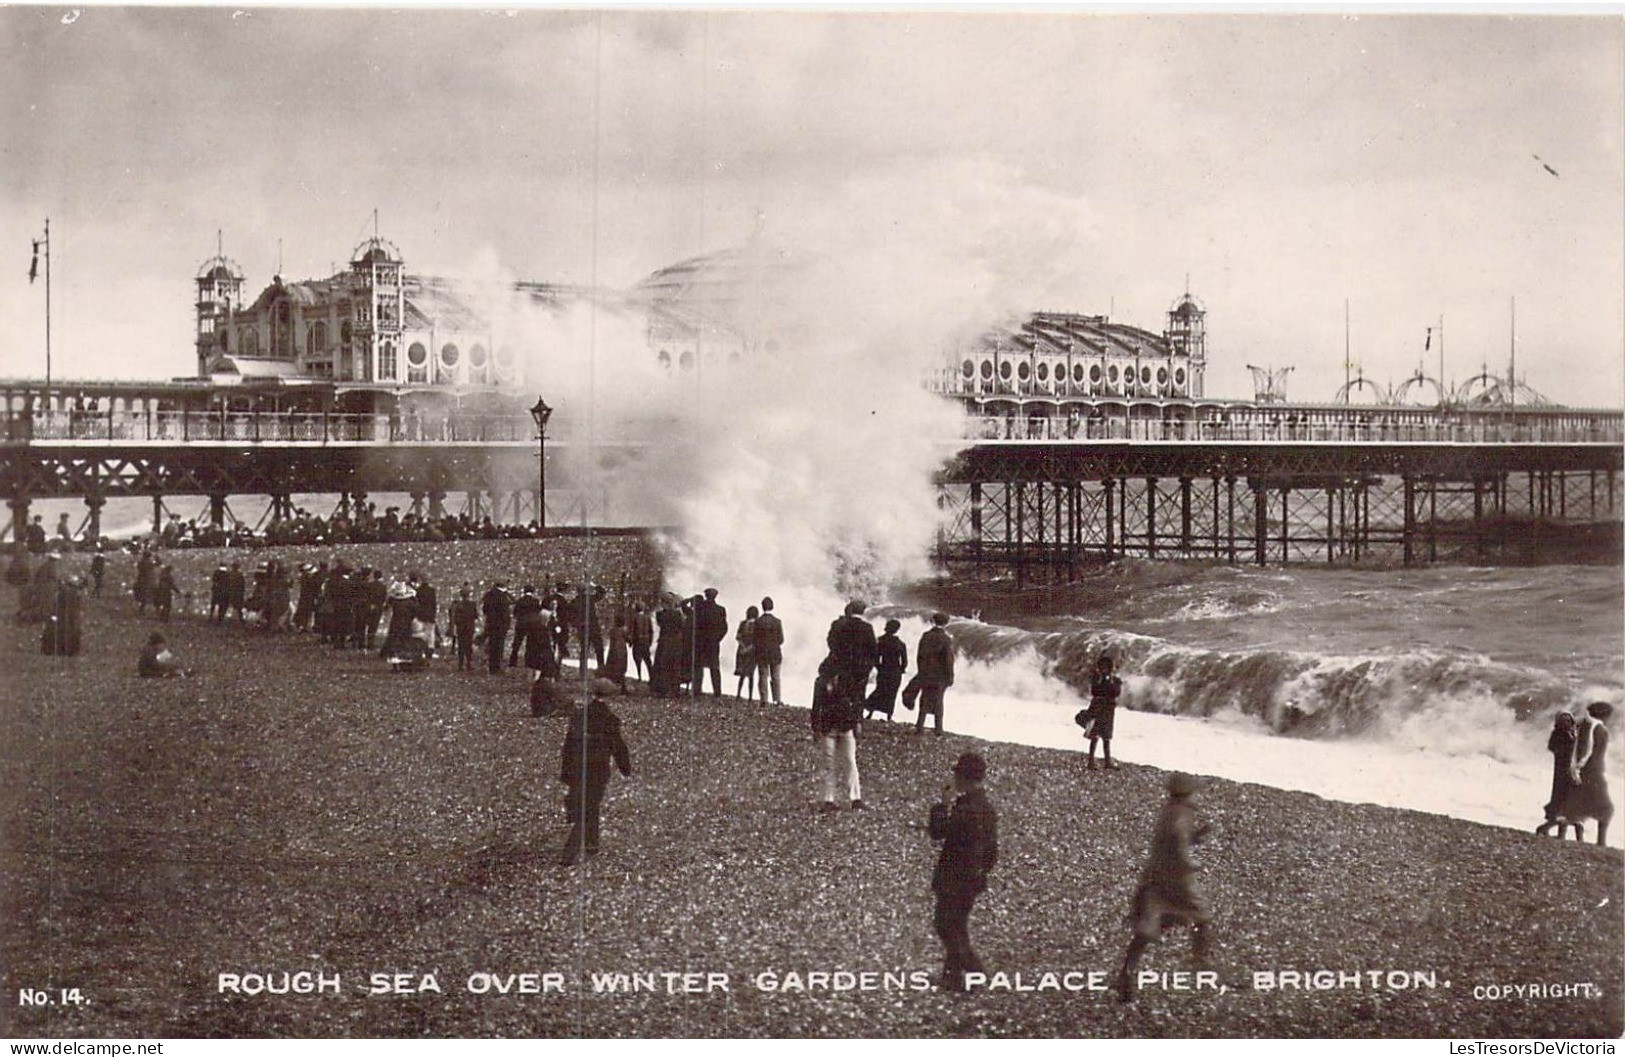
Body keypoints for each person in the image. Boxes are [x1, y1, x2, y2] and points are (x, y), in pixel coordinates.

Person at [1115, 772, 1212, 1003]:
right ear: (1187, 794)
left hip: (1155, 879)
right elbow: (1178, 847)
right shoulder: (1180, 816)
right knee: (1203, 916)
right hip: (1176, 882)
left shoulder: (1169, 812)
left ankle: (1126, 975)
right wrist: (1193, 863)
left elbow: (1172, 841)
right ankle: (1200, 961)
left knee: (1145, 930)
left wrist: (1196, 837)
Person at [928, 751, 999, 993]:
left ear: (965, 777)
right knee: (957, 925)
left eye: (957, 773)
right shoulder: (986, 808)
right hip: (972, 880)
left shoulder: (965, 808)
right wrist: (981, 872)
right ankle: (952, 977)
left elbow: (937, 832)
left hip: (953, 880)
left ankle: (976, 974)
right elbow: (992, 851)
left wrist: (942, 805)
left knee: (946, 926)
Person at [559, 683, 633, 865]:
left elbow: (568, 746)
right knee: (591, 805)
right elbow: (618, 746)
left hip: (577, 766)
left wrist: (565, 771)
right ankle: (573, 851)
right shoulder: (610, 719)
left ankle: (592, 845)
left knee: (585, 802)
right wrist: (625, 768)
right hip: (598, 769)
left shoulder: (579, 716)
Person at [811, 653, 865, 812]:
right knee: (847, 762)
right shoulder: (842, 680)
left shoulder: (828, 681)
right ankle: (852, 799)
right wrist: (858, 723)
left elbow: (816, 707)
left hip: (832, 726)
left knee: (837, 763)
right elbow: (856, 704)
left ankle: (833, 800)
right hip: (842, 726)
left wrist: (815, 728)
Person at [1563, 702, 1614, 847]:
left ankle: (1576, 837)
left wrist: (1575, 768)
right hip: (1593, 771)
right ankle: (1600, 842)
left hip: (1587, 770)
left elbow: (1579, 746)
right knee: (1606, 808)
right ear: (1604, 715)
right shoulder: (1599, 728)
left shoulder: (1586, 725)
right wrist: (1579, 767)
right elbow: (1588, 750)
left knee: (1580, 803)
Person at [826, 600, 878, 711]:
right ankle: (857, 722)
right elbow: (873, 650)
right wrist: (868, 666)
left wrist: (837, 657)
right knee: (858, 696)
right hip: (860, 667)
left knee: (840, 694)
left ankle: (840, 721)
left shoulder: (839, 624)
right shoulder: (867, 627)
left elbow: (831, 642)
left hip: (842, 665)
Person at [1536, 711, 1581, 839]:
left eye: (1567, 720)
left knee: (1568, 800)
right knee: (1560, 798)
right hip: (1562, 770)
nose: (1565, 723)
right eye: (1563, 720)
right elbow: (1552, 747)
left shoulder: (1574, 733)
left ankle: (1561, 832)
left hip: (1571, 769)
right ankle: (1560, 832)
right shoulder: (1559, 734)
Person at [910, 612, 956, 735]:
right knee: (938, 701)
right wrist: (950, 676)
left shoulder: (926, 636)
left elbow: (920, 655)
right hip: (939, 676)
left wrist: (921, 671)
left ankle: (919, 726)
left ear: (933, 621)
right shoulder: (946, 639)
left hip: (926, 673)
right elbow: (948, 660)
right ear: (946, 623)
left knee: (924, 700)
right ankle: (938, 728)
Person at [866, 618, 908, 722]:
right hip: (895, 672)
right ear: (897, 630)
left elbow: (875, 657)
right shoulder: (900, 644)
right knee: (892, 693)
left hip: (884, 669)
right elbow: (904, 661)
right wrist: (902, 670)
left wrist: (879, 667)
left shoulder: (880, 641)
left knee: (879, 690)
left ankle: (870, 712)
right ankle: (889, 716)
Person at [1086, 654, 1123, 769]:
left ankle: (1107, 761)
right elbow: (1094, 691)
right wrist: (1104, 682)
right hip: (1098, 709)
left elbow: (1116, 692)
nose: (1104, 669)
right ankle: (1091, 761)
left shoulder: (1115, 680)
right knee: (1094, 735)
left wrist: (1107, 682)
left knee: (1106, 736)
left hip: (1107, 710)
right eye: (1102, 667)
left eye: (1106, 667)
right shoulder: (1097, 679)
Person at [692, 587, 728, 697]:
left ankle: (697, 690)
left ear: (706, 595)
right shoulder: (721, 610)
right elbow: (724, 628)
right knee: (714, 667)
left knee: (698, 667)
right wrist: (718, 638)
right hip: (713, 643)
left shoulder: (699, 608)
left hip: (700, 641)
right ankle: (717, 692)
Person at [753, 596, 785, 706]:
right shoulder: (777, 622)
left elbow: (754, 639)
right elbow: (781, 639)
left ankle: (764, 700)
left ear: (762, 607)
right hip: (775, 653)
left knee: (763, 676)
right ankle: (777, 699)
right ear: (772, 607)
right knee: (775, 677)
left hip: (762, 653)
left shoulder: (758, 622)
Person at [481, 580, 513, 675]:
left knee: (492, 645)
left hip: (491, 623)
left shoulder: (488, 595)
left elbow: (485, 609)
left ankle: (492, 667)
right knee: (499, 646)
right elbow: (508, 607)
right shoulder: (503, 596)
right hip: (501, 625)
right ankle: (496, 667)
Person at [510, 585, 542, 668]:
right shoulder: (535, 601)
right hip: (532, 625)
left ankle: (513, 661)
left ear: (524, 591)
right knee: (530, 644)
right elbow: (538, 613)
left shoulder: (520, 601)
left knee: (517, 643)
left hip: (521, 624)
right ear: (532, 592)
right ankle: (528, 662)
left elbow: (515, 613)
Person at [450, 584, 480, 672]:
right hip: (469, 627)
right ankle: (468, 664)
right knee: (468, 646)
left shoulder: (458, 605)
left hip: (461, 627)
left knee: (461, 646)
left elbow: (455, 617)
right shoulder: (472, 604)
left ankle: (460, 664)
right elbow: (475, 615)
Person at [734, 605, 759, 702]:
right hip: (752, 652)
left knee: (742, 674)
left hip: (742, 651)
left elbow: (738, 637)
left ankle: (738, 694)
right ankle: (750, 697)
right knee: (751, 675)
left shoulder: (743, 623)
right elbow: (757, 640)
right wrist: (748, 648)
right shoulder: (757, 625)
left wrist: (743, 647)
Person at [628, 601, 654, 682]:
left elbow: (632, 631)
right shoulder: (648, 617)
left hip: (637, 641)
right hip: (646, 641)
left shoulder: (634, 617)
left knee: (637, 659)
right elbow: (651, 631)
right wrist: (650, 642)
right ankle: (651, 677)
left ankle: (639, 677)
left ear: (636, 608)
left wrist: (630, 642)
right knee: (648, 660)